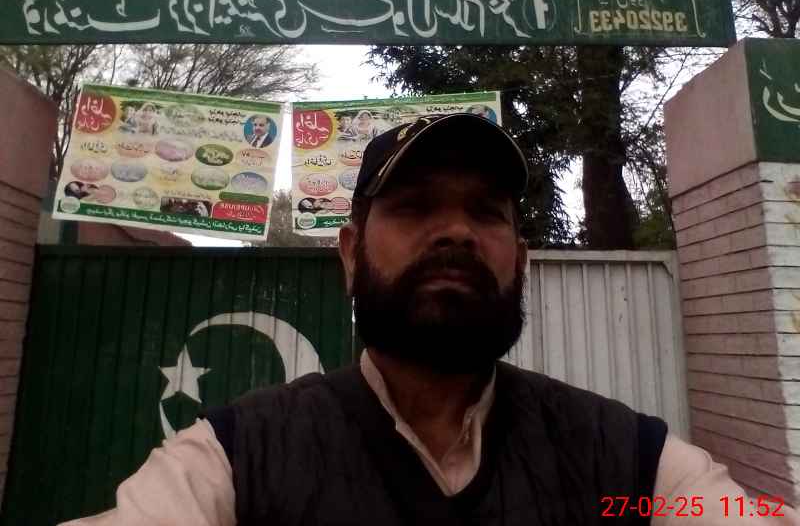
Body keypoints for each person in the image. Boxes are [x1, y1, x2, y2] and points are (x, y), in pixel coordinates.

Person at [62, 114, 798, 526]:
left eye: (486, 212)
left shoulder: (629, 463)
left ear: (520, 259)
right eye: (414, 207)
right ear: (350, 253)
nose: (456, 233)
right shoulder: (233, 460)